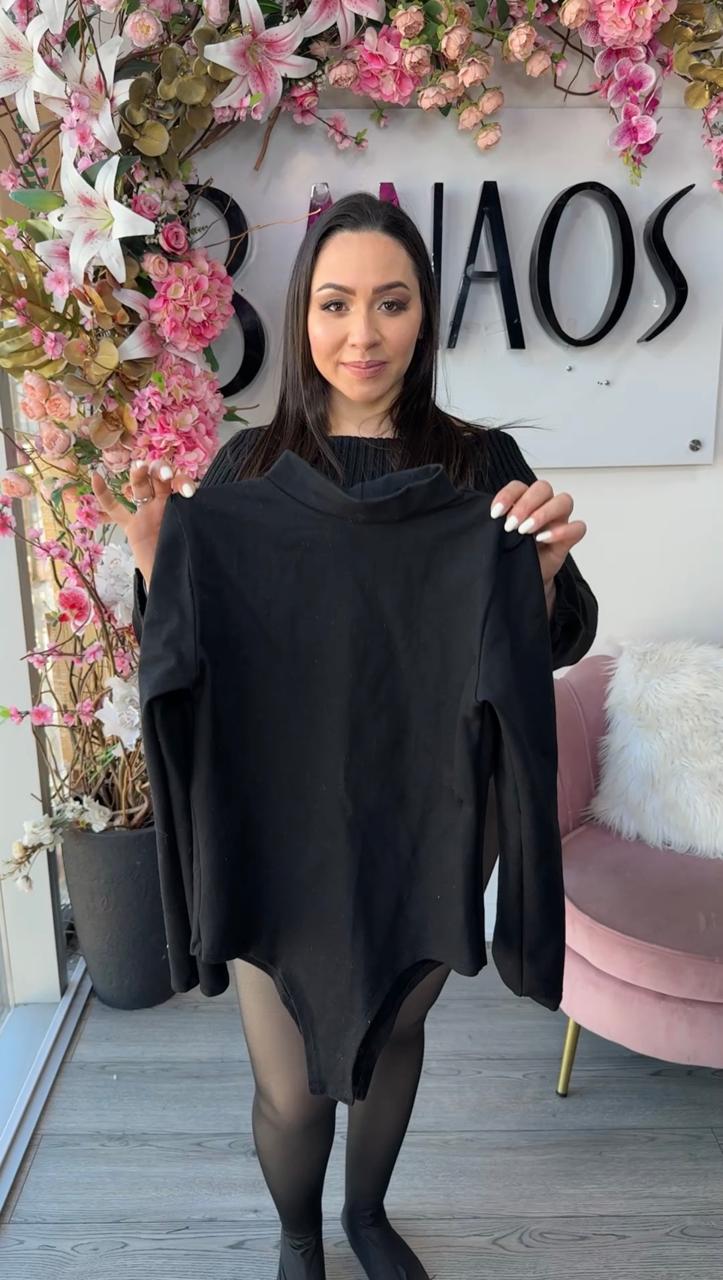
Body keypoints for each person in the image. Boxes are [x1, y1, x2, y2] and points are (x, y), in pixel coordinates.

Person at [92, 192, 598, 1280]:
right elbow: (193, 654)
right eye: (334, 303)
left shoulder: (481, 465)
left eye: (390, 302)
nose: (361, 333)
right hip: (278, 819)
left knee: (394, 1030)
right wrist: (157, 569)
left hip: (431, 810)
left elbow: (555, 639)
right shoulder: (247, 467)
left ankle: (366, 1214)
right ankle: (298, 1233)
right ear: (302, 314)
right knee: (287, 1082)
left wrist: (543, 580)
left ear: (424, 316)